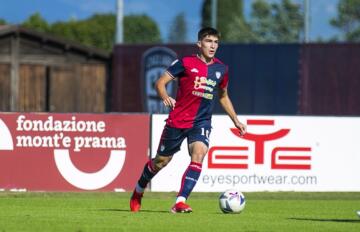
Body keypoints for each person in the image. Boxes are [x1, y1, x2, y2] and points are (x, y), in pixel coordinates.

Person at [130, 27, 247, 213]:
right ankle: (138, 190)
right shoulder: (184, 63)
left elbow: (223, 96)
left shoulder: (221, 69)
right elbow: (160, 82)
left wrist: (236, 120)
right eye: (209, 41)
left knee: (199, 154)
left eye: (216, 42)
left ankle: (180, 201)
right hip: (178, 120)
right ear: (199, 44)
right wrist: (165, 96)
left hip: (201, 122)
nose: (213, 45)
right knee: (160, 162)